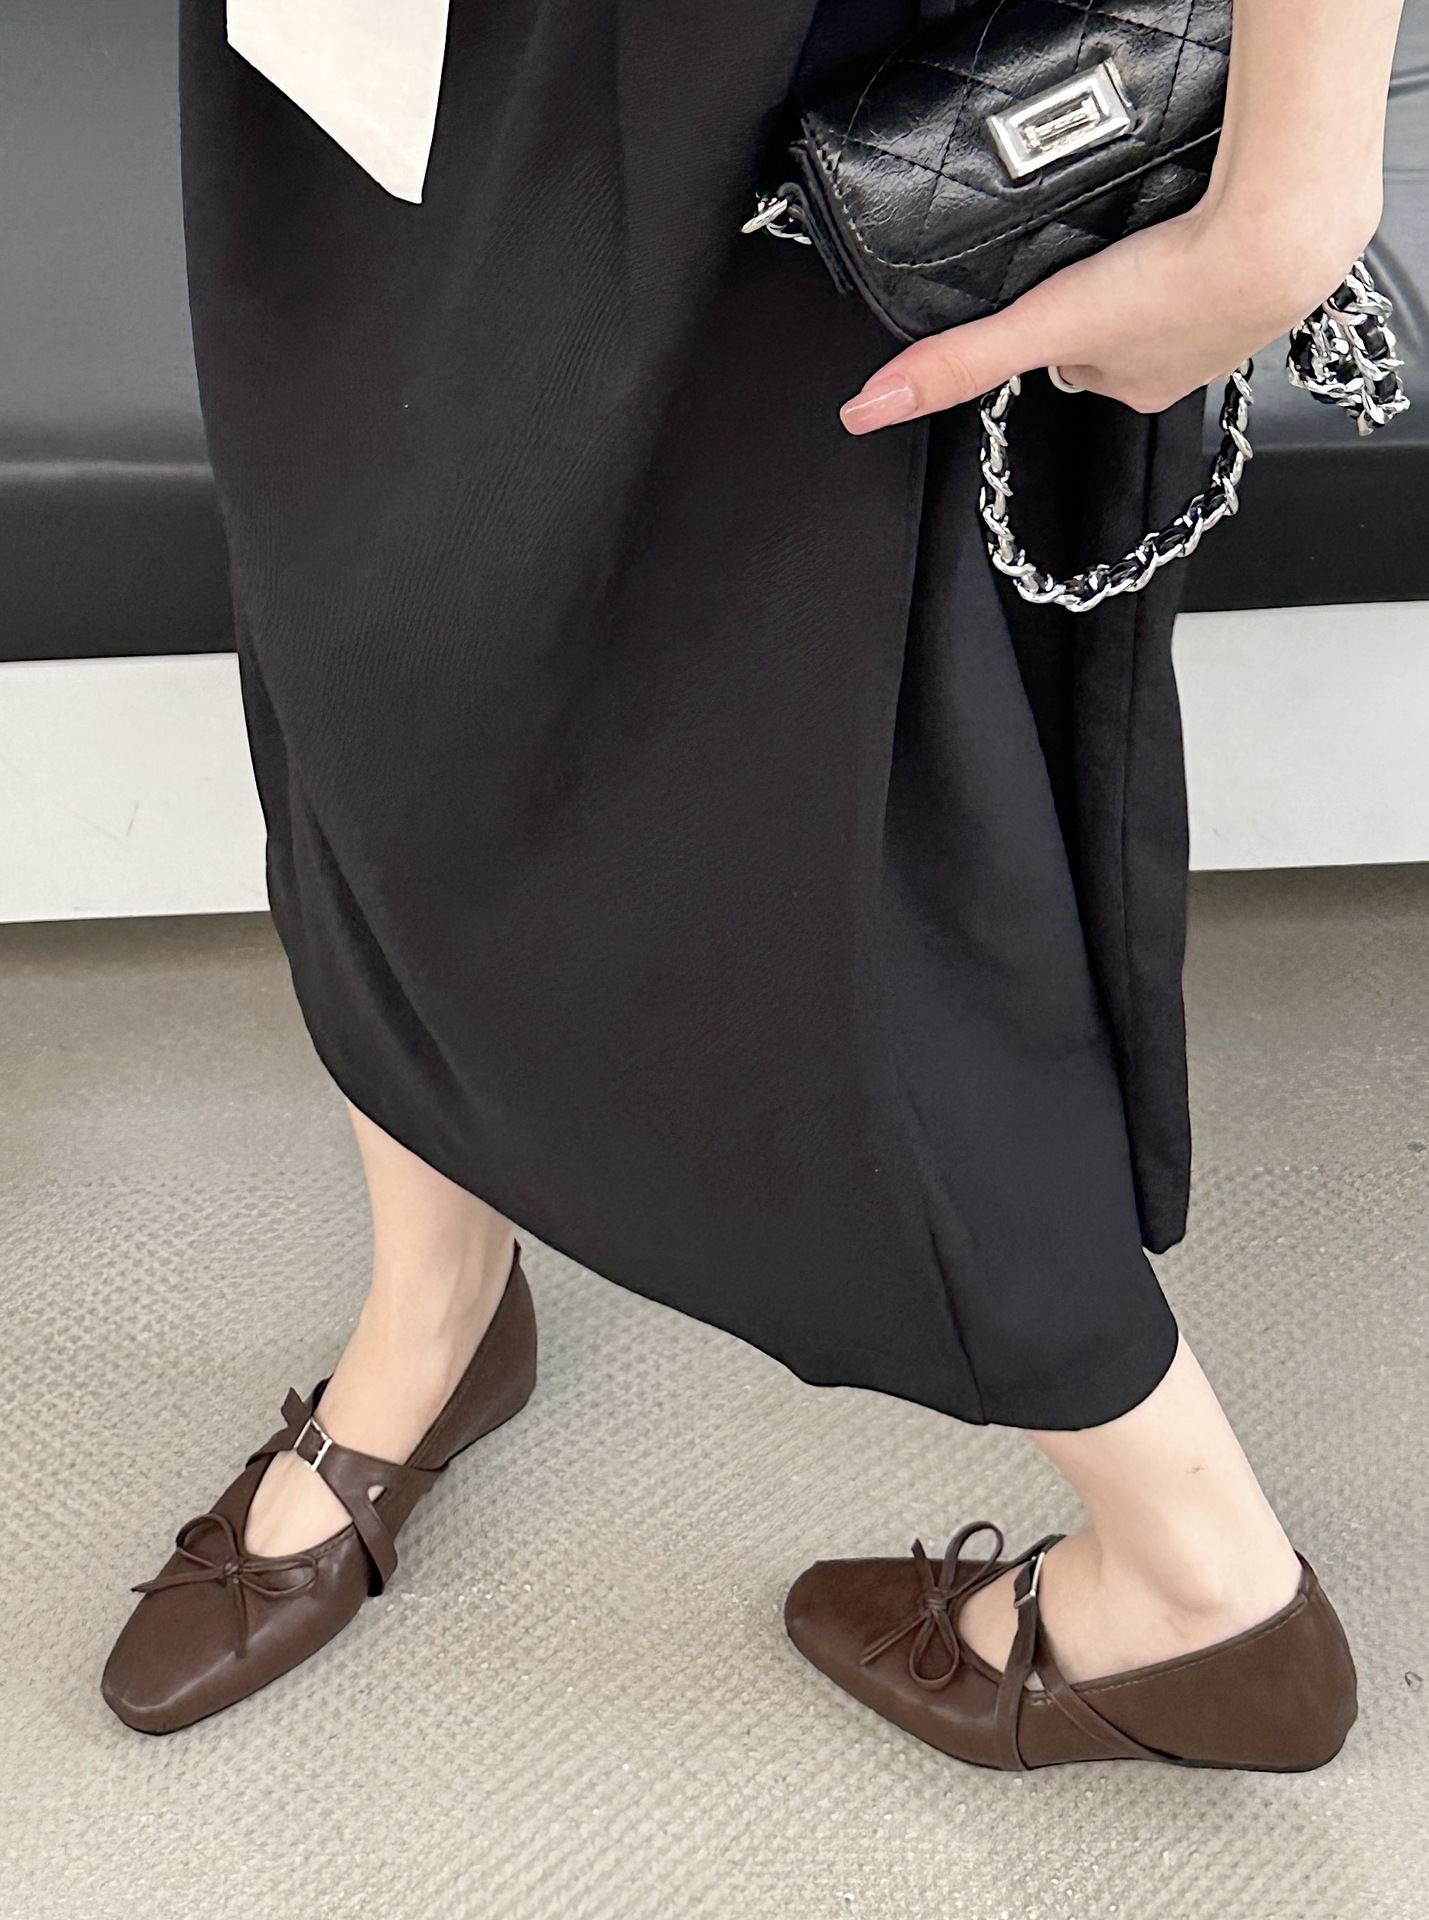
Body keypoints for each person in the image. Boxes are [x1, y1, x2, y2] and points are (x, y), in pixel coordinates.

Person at [102, 0, 1402, 1768]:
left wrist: (1292, 186)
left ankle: (1199, 1582)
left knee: (825, 828)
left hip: (770, 69)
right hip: (371, 42)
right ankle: (434, 1314)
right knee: (369, 662)